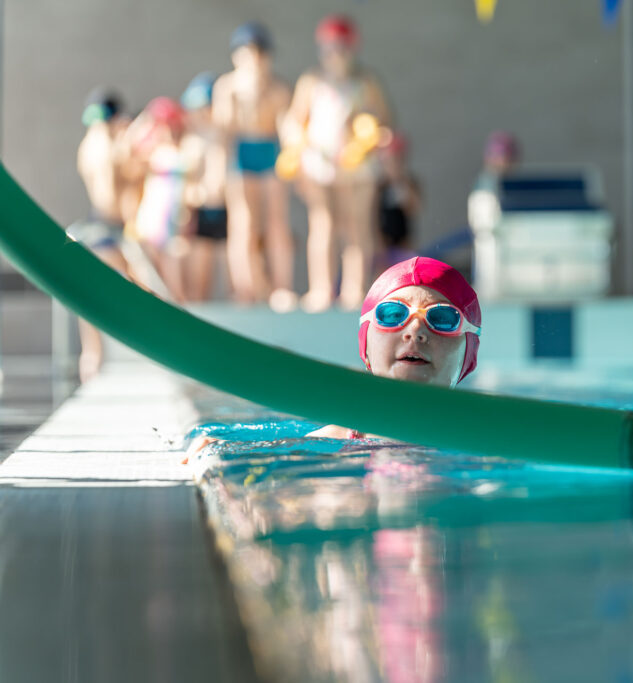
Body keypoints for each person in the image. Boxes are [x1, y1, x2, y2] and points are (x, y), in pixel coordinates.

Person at [186, 256, 481, 458]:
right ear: (365, 346)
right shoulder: (340, 438)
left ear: (469, 356)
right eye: (392, 315)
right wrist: (225, 450)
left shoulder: (487, 439)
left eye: (443, 318)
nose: (415, 332)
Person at [282, 14, 393, 312]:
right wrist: (297, 153)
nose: (336, 54)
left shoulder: (367, 82)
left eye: (342, 47)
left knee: (358, 229)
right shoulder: (311, 81)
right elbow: (294, 121)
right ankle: (321, 289)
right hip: (320, 165)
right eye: (330, 47)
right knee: (323, 226)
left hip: (358, 166)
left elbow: (384, 124)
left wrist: (369, 139)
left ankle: (355, 292)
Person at [212, 21, 296, 310]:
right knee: (243, 224)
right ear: (238, 56)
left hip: (268, 149)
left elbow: (286, 126)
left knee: (277, 223)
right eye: (248, 53)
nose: (254, 59)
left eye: (259, 53)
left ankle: (281, 288)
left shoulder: (277, 88)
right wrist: (218, 170)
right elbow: (223, 132)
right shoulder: (229, 87)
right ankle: (245, 289)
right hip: (242, 150)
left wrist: (293, 156)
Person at [71, 87, 132, 382]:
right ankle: (96, 359)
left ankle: (91, 359)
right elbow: (109, 200)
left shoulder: (86, 146)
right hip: (109, 227)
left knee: (91, 300)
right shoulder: (106, 146)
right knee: (135, 290)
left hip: (96, 226)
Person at [130, 97, 195, 303]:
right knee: (148, 278)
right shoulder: (152, 151)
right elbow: (130, 146)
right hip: (153, 217)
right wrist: (146, 120)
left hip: (173, 219)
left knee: (174, 283)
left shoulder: (186, 149)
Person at [181, 72, 230, 301]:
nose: (201, 113)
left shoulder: (226, 133)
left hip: (227, 208)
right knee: (199, 279)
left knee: (234, 277)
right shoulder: (191, 139)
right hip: (201, 211)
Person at [375, 132, 421, 272]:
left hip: (402, 243)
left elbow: (414, 208)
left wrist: (401, 184)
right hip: (382, 245)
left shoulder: (408, 183)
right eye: (389, 162)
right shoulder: (377, 187)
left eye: (397, 161)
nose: (393, 166)